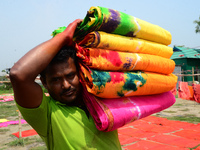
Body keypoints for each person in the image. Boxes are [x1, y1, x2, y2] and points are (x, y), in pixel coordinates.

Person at [9, 19, 122, 150]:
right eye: (56, 80)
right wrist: (64, 37)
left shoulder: (100, 98)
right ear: (45, 82)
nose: (66, 85)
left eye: (70, 76)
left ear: (80, 73)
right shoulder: (46, 113)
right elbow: (18, 75)